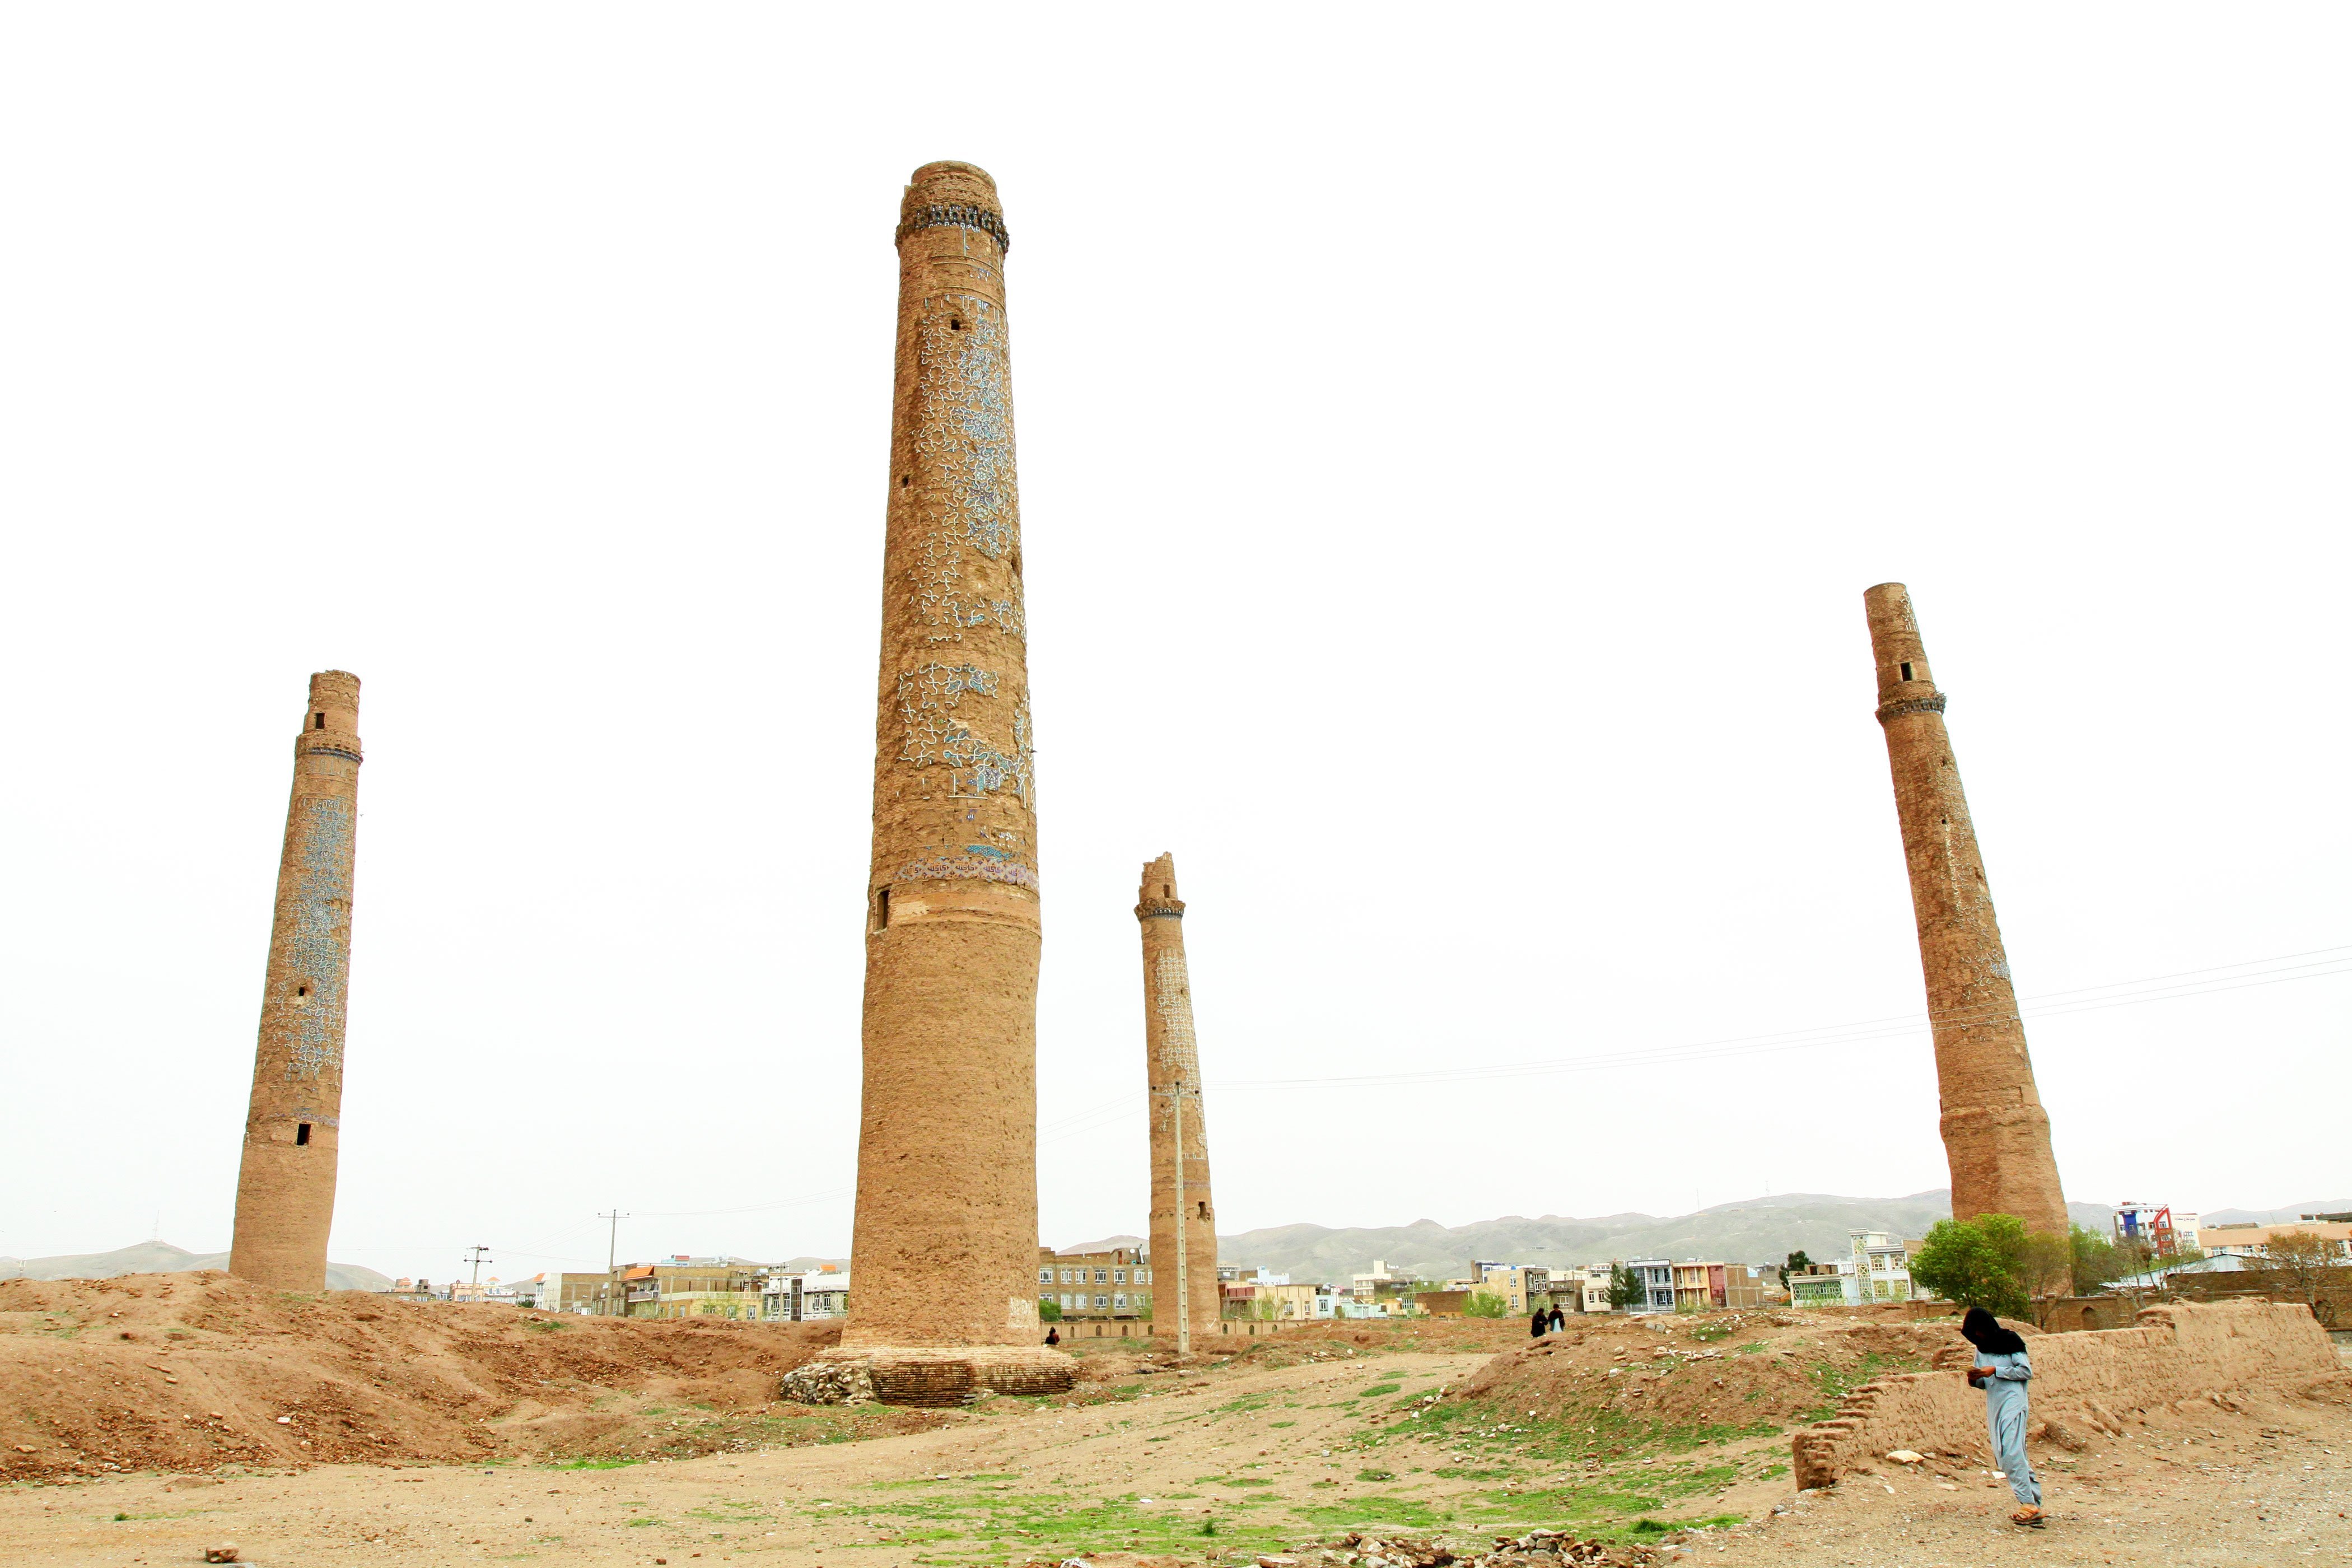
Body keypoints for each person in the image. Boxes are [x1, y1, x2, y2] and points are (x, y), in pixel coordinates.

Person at [1961, 1306, 2042, 1528]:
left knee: (2012, 1451)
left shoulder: (2011, 1340)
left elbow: (2025, 1372)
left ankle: (2028, 1504)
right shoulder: (1980, 1348)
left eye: (1979, 1331)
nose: (1978, 1336)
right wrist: (1974, 1378)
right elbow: (1982, 1383)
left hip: (2014, 1402)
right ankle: (2033, 1502)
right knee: (2003, 1453)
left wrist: (1995, 1370)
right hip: (1995, 1404)